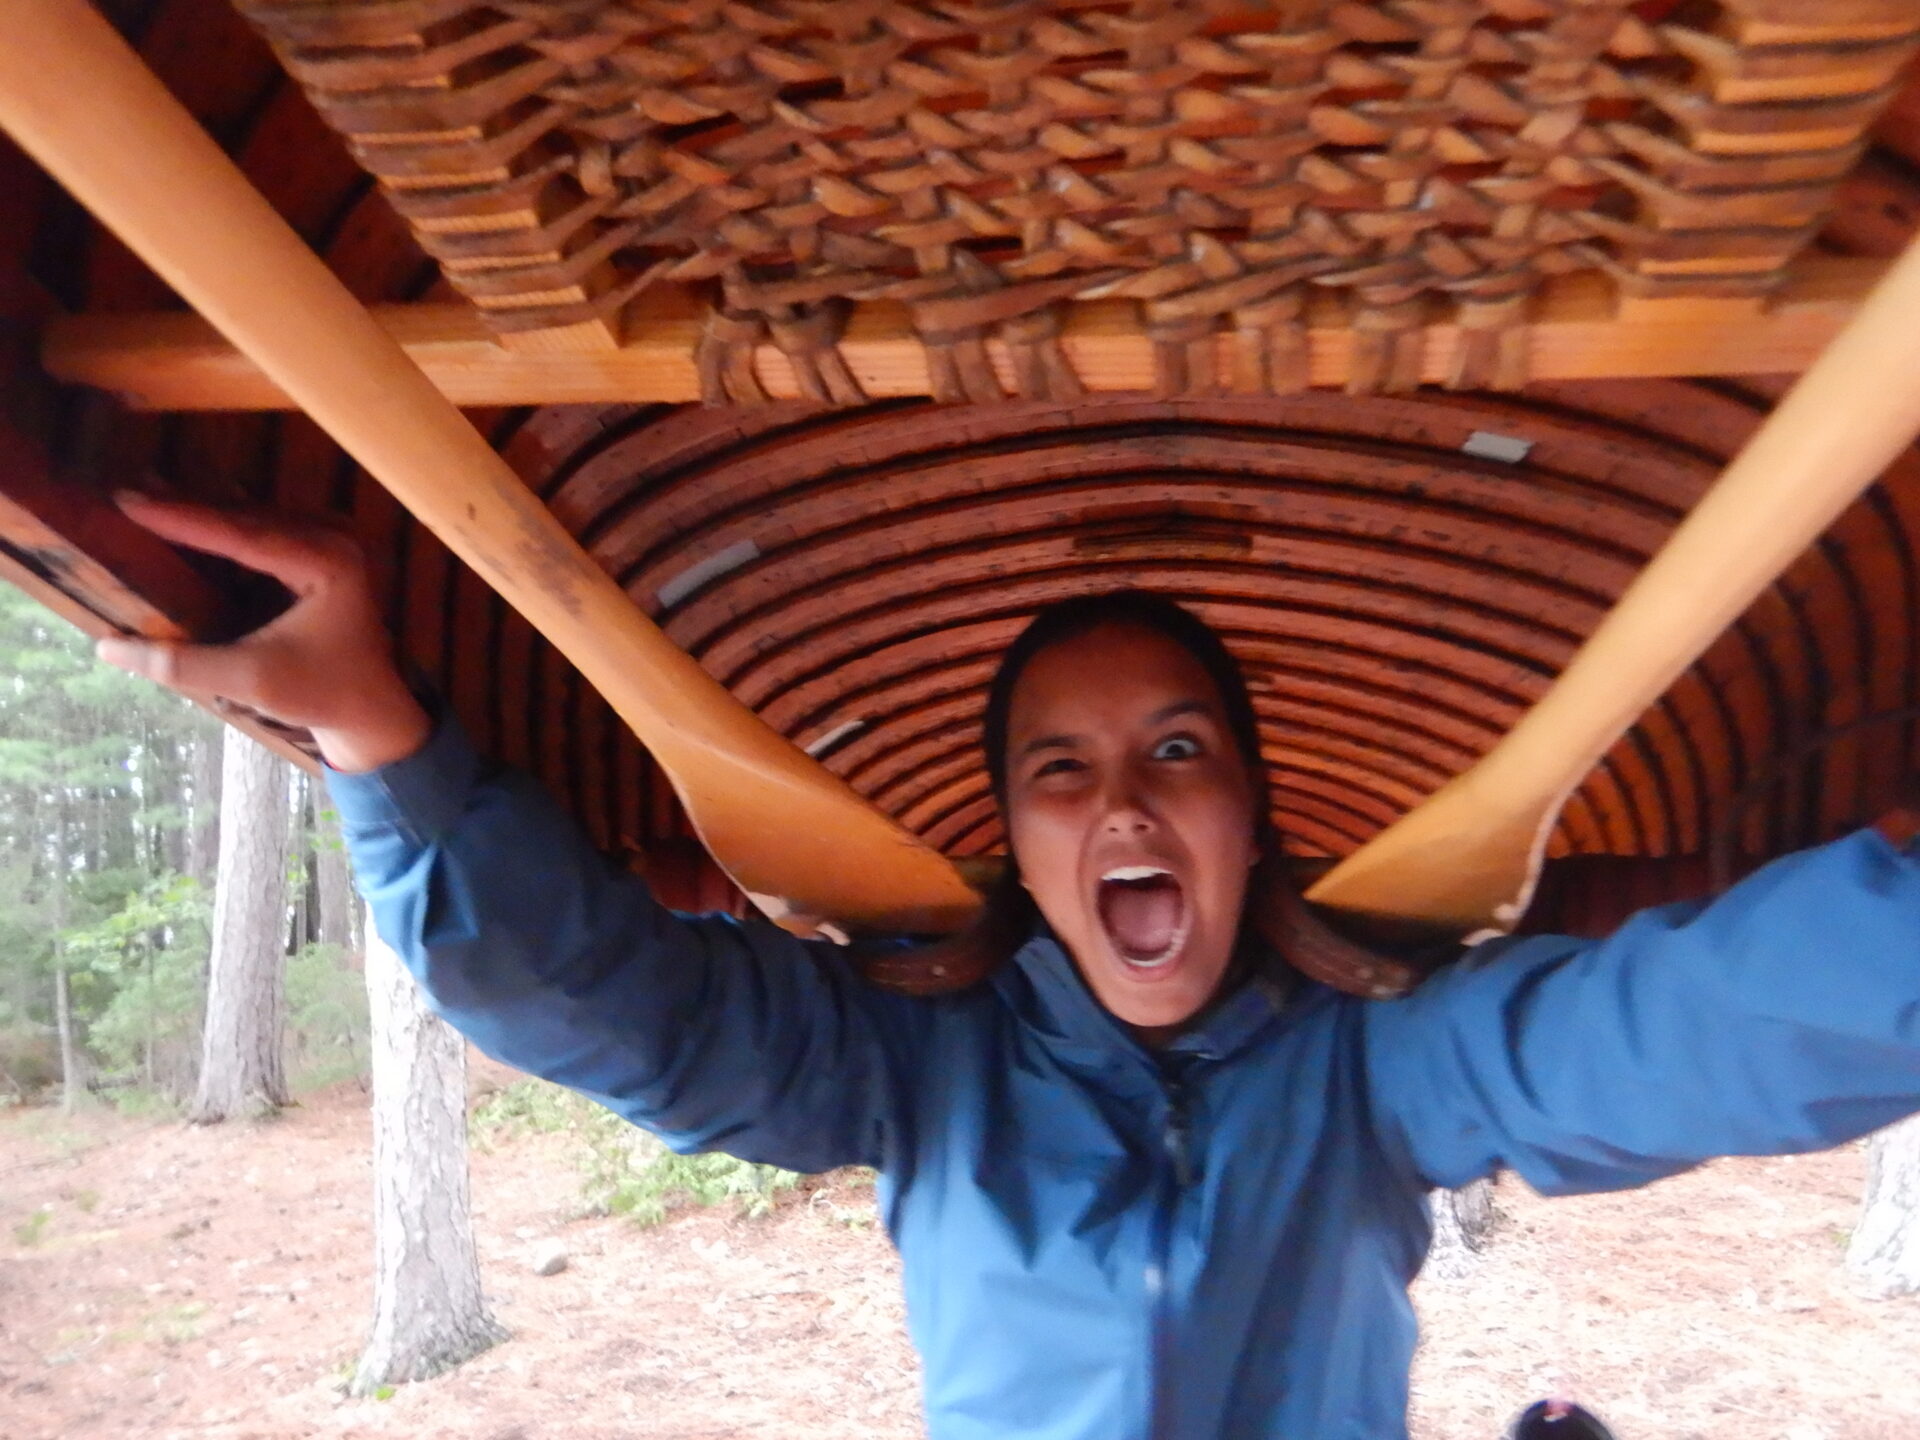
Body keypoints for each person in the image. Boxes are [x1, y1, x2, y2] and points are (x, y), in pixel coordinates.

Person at [97, 494, 1920, 1440]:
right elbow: (612, 1004)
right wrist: (392, 757)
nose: (1122, 798)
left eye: (1180, 751)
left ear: (1254, 816)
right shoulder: (908, 1061)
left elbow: (1677, 1028)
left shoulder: (1386, 1065)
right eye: (1062, 769)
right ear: (1021, 845)